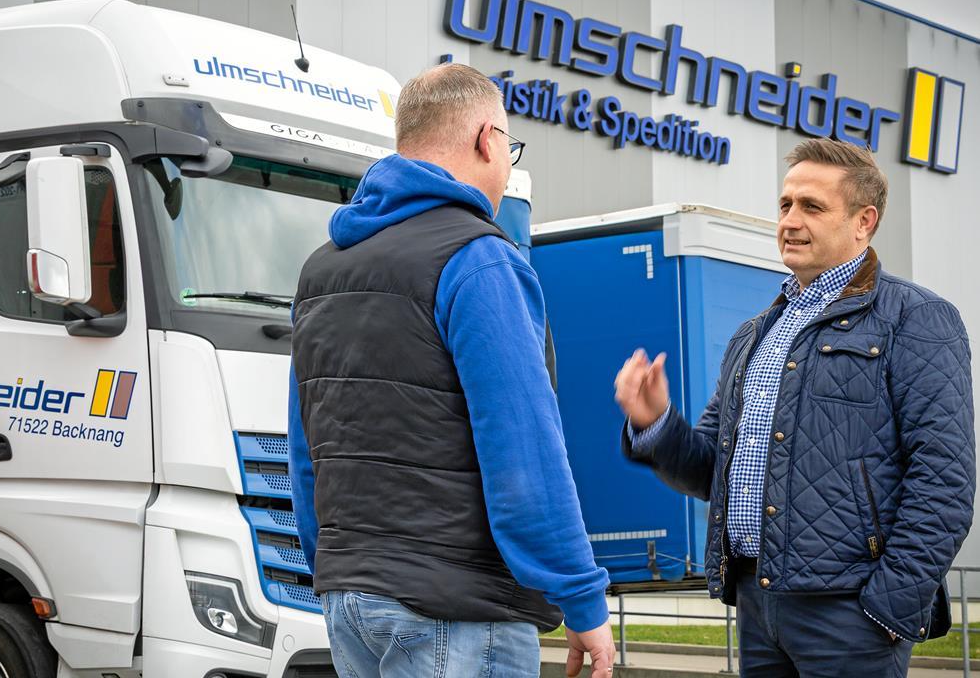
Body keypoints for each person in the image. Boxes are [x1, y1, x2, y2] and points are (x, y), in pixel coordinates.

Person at [288, 63, 615, 677]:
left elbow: (308, 449)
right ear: (488, 139)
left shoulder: (321, 272)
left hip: (350, 595)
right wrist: (581, 599)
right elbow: (523, 451)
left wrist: (337, 564)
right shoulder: (479, 261)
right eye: (509, 148)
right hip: (454, 607)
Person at [615, 138, 975, 676]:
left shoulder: (916, 319)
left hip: (851, 614)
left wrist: (890, 605)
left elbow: (944, 480)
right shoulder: (753, 335)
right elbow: (714, 469)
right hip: (758, 606)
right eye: (785, 205)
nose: (790, 220)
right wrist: (657, 424)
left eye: (812, 206)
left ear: (864, 221)